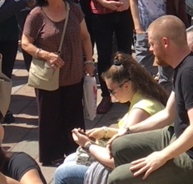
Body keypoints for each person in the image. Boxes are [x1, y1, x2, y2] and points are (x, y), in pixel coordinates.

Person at [106, 15, 193, 184]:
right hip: (178, 136)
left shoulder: (191, 73)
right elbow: (168, 114)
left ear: (165, 42)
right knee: (119, 145)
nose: (150, 49)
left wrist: (162, 156)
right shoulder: (183, 67)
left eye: (152, 44)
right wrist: (128, 130)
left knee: (117, 178)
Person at [53, 53, 168, 184]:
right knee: (70, 159)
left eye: (112, 91)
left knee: (62, 173)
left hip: (134, 174)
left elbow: (116, 161)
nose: (112, 96)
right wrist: (105, 131)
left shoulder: (140, 111)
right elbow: (134, 134)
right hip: (137, 166)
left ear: (126, 86)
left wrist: (87, 144)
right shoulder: (146, 97)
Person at [20, 0, 95, 165]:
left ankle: (75, 152)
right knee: (50, 117)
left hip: (74, 72)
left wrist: (89, 61)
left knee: (74, 115)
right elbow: (25, 43)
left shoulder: (74, 9)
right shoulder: (36, 14)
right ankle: (52, 156)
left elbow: (85, 37)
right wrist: (45, 55)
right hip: (48, 76)